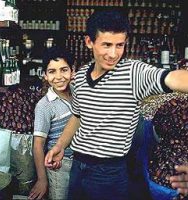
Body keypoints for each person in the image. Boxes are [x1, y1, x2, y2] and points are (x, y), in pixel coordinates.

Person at [44, 10, 188, 200]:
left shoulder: (133, 73)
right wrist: (61, 146)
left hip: (109, 173)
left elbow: (173, 78)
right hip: (78, 166)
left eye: (119, 45)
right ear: (89, 42)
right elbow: (78, 116)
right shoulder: (79, 77)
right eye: (107, 45)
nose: (113, 54)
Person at [28, 46, 75, 200]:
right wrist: (42, 180)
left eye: (64, 69)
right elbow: (38, 145)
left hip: (81, 163)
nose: (59, 76)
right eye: (52, 71)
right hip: (60, 166)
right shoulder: (45, 105)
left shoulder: (78, 93)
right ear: (45, 76)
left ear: (72, 71)